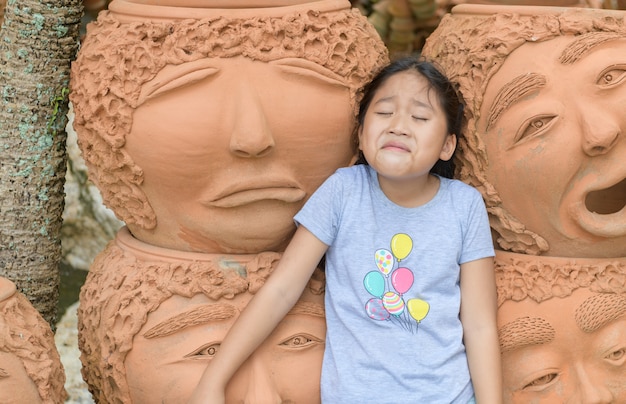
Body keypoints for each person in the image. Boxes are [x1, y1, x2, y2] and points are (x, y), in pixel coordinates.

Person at [189, 57, 503, 404]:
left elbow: (479, 325)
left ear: (447, 145)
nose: (398, 126)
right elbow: (281, 290)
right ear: (360, 134)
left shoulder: (464, 205)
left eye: (419, 117)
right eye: (384, 113)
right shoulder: (343, 192)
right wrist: (213, 382)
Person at [78, 227, 327, 403]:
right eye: (210, 351)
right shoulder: (340, 196)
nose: (262, 399)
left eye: (299, 341)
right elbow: (282, 291)